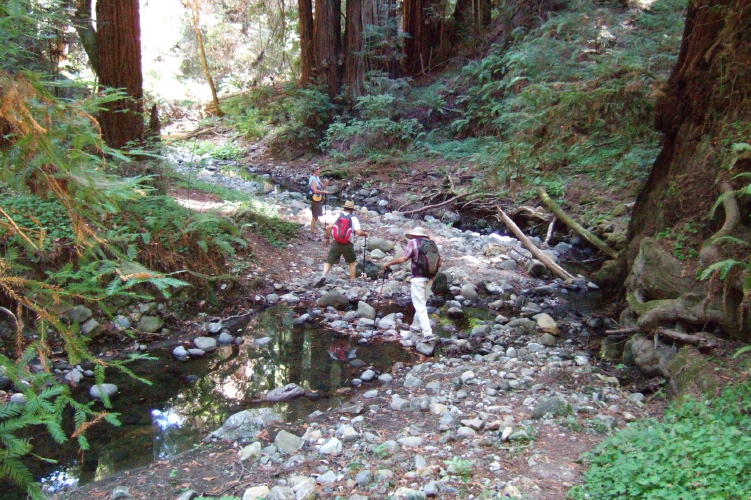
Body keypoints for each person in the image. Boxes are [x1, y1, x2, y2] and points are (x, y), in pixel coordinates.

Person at [382, 227, 437, 342]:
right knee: (421, 304)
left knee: (420, 307)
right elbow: (439, 262)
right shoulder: (432, 244)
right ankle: (415, 328)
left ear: (414, 235)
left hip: (418, 278)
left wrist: (389, 263)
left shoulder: (413, 243)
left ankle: (428, 334)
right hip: (430, 278)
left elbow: (403, 259)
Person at [316, 200, 368, 286]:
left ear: (344, 208)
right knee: (351, 263)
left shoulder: (337, 215)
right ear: (352, 209)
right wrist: (365, 234)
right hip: (348, 243)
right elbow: (358, 233)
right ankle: (352, 281)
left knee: (329, 261)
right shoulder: (353, 218)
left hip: (336, 242)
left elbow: (329, 227)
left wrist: (327, 238)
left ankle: (323, 275)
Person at [308, 164, 330, 239]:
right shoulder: (313, 179)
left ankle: (313, 231)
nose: (319, 170)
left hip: (318, 198)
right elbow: (315, 190)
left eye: (319, 168)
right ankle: (312, 233)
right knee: (315, 216)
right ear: (314, 170)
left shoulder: (317, 178)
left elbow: (323, 187)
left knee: (316, 216)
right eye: (318, 169)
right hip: (314, 198)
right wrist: (324, 192)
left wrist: (326, 183)